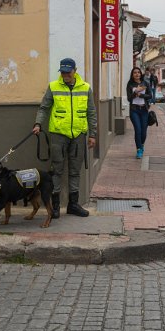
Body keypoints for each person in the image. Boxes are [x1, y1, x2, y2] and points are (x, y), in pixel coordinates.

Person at [33, 58, 97, 218]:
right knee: (57, 171)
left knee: (75, 171)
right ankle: (55, 206)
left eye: (68, 72)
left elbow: (91, 112)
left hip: (78, 135)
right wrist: (38, 124)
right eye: (62, 72)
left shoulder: (86, 88)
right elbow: (44, 107)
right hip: (58, 135)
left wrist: (93, 134)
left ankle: (73, 205)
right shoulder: (53, 86)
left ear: (75, 70)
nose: (65, 75)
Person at [126, 66, 152, 159]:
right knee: (138, 130)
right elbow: (129, 99)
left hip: (144, 110)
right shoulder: (130, 84)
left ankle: (141, 145)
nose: (137, 74)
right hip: (134, 110)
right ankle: (139, 150)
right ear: (132, 75)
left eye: (138, 72)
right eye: (135, 73)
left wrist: (141, 95)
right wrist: (135, 92)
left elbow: (150, 96)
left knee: (144, 132)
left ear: (141, 74)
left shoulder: (145, 83)